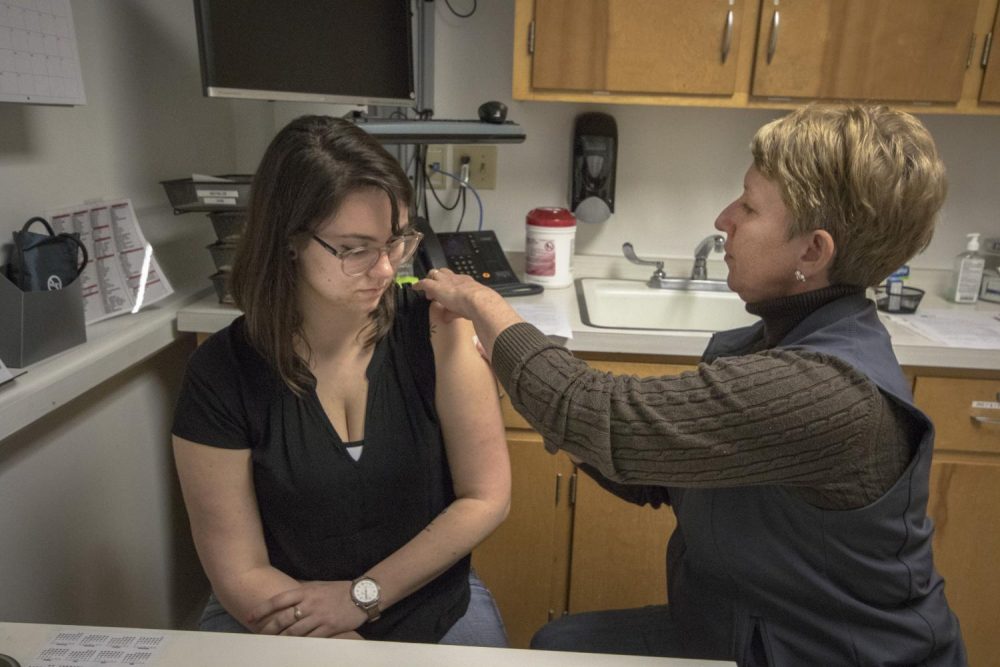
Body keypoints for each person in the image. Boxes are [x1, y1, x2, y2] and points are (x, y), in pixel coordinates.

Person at [415, 104, 967, 665]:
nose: (724, 218)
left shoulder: (827, 390)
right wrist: (519, 380)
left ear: (813, 251)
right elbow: (650, 471)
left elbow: (602, 414)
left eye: (750, 207)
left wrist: (482, 302)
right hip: (742, 627)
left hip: (827, 652)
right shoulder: (778, 340)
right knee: (556, 643)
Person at [171, 115, 511, 646]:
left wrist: (361, 597)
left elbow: (485, 497)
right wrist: (339, 645)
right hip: (285, 611)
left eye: (395, 241)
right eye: (354, 248)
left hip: (428, 601)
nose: (384, 270)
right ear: (288, 242)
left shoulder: (438, 329)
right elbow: (239, 571)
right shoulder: (221, 372)